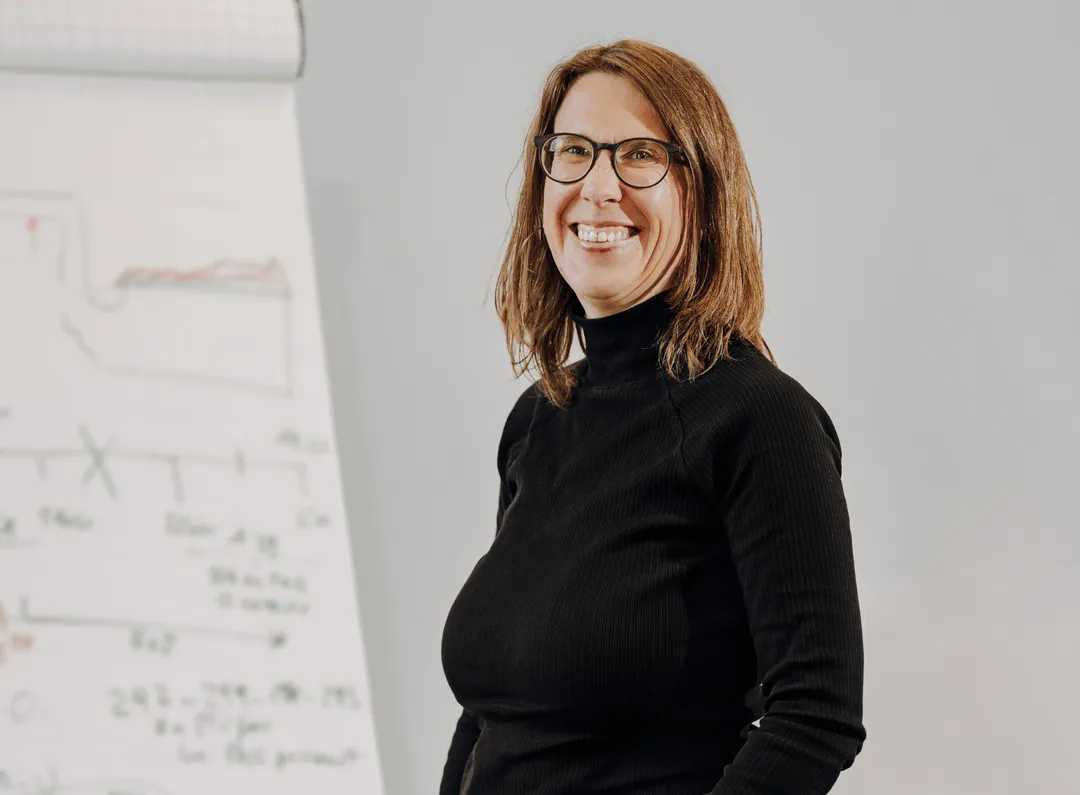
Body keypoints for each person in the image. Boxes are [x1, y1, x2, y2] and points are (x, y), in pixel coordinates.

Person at [439, 39, 866, 795]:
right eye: (573, 151)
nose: (599, 186)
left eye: (639, 155)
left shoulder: (761, 420)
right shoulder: (538, 419)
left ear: (699, 193)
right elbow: (491, 719)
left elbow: (814, 716)